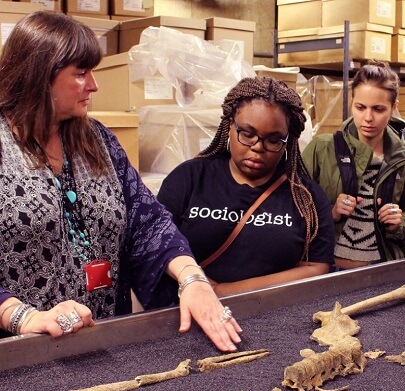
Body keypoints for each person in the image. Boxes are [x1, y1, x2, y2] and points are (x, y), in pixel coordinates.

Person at [0, 11, 242, 352]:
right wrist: (23, 317)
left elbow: (147, 221)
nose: (94, 85)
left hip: (105, 340)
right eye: (81, 73)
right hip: (20, 354)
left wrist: (192, 278)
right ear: (39, 76)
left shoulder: (97, 140)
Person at [156, 76, 335, 296]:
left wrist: (225, 290)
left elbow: (317, 267)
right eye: (248, 134)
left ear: (288, 141)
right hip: (190, 315)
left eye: (273, 140)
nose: (258, 147)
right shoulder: (188, 179)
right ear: (230, 125)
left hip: (274, 317)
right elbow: (156, 244)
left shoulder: (306, 198)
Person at [301, 62, 405, 269]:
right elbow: (294, 208)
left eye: (378, 109)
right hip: (327, 268)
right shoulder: (322, 148)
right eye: (360, 107)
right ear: (352, 103)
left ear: (394, 107)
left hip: (381, 269)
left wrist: (399, 222)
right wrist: (331, 212)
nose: (368, 118)